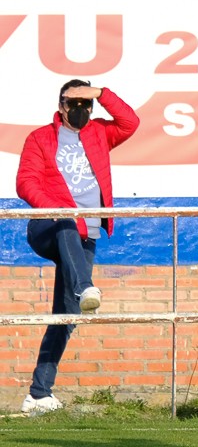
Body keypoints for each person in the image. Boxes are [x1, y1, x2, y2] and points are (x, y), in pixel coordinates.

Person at [15, 80, 139, 415]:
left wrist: (101, 93)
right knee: (69, 223)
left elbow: (130, 122)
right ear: (61, 106)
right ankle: (85, 286)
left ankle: (39, 394)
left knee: (67, 316)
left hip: (86, 233)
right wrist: (56, 209)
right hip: (50, 227)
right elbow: (25, 182)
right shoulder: (41, 138)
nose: (81, 110)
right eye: (74, 104)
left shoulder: (99, 133)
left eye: (87, 104)